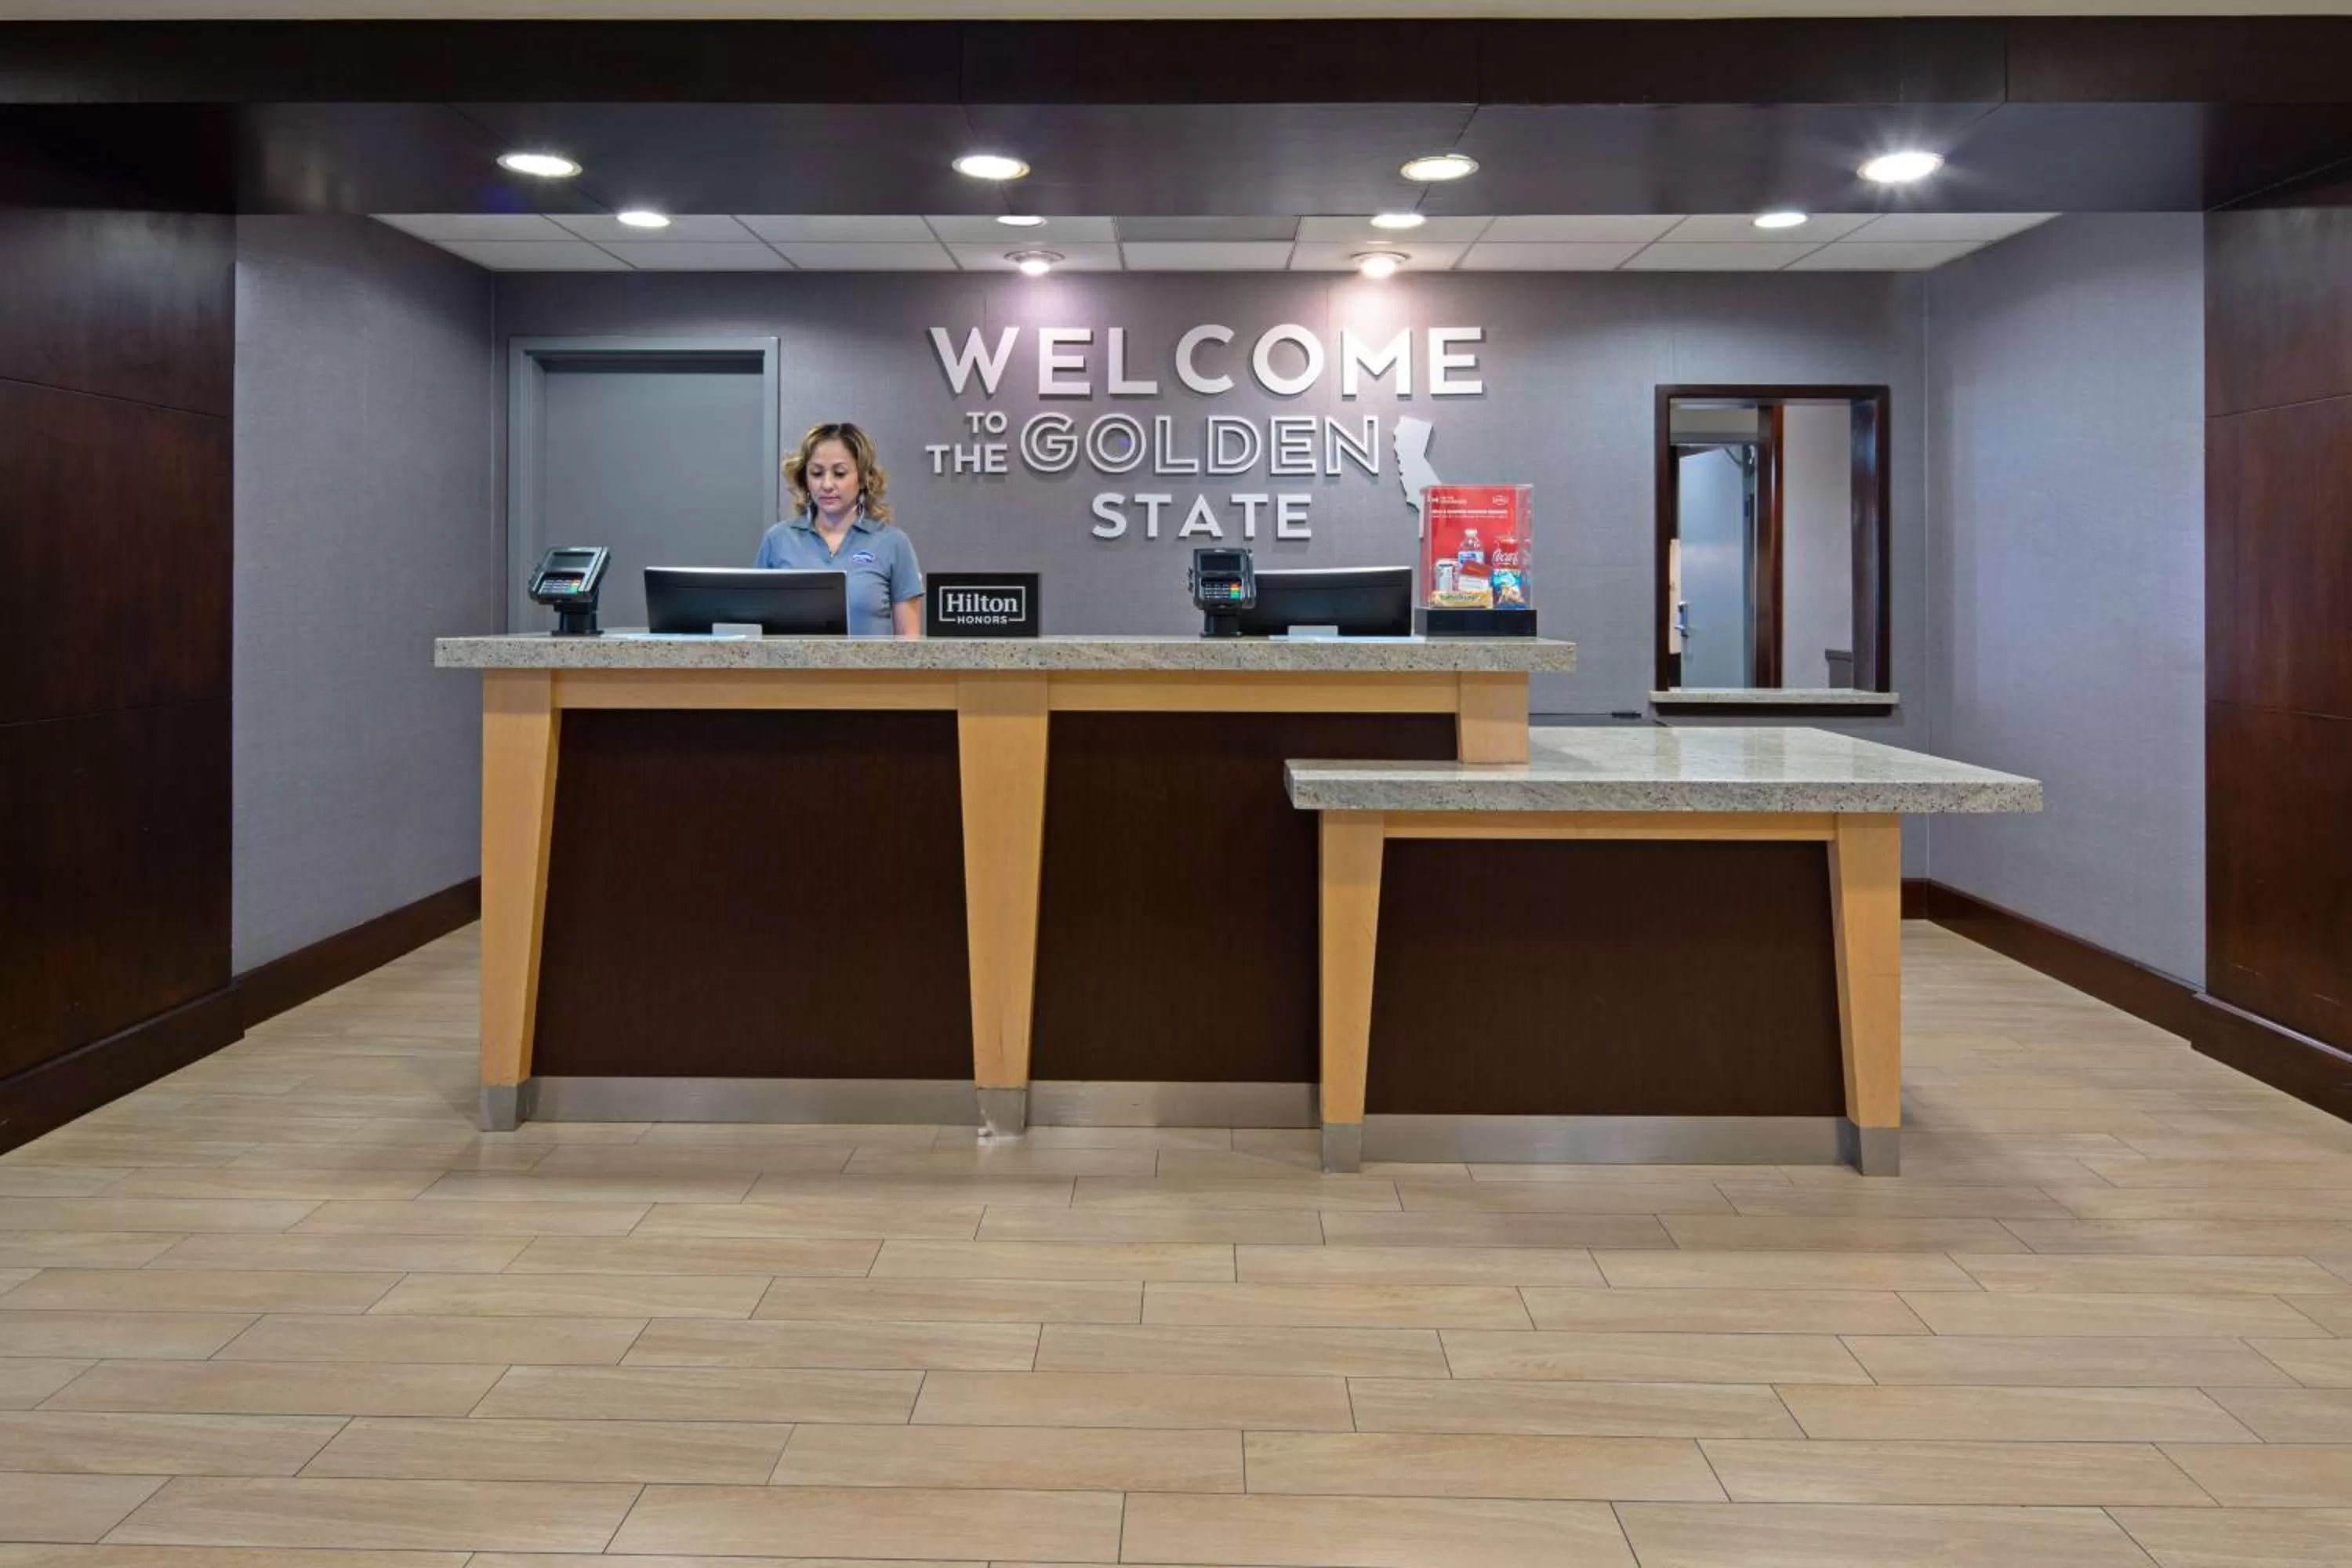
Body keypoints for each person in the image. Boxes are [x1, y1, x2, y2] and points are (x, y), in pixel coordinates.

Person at [755, 421, 923, 637]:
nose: (826, 484)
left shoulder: (894, 543)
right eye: (816, 473)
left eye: (839, 473)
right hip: (793, 671)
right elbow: (755, 636)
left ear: (863, 478)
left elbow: (910, 642)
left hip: (870, 671)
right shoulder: (777, 540)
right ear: (804, 479)